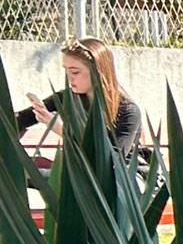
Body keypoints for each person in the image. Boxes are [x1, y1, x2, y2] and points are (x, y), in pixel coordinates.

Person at [16, 39, 145, 169]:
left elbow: (110, 162)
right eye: (66, 71)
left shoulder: (127, 111)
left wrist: (62, 130)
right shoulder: (68, 98)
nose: (69, 78)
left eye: (75, 72)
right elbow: (19, 120)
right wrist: (37, 112)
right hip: (79, 173)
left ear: (98, 72)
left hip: (123, 180)